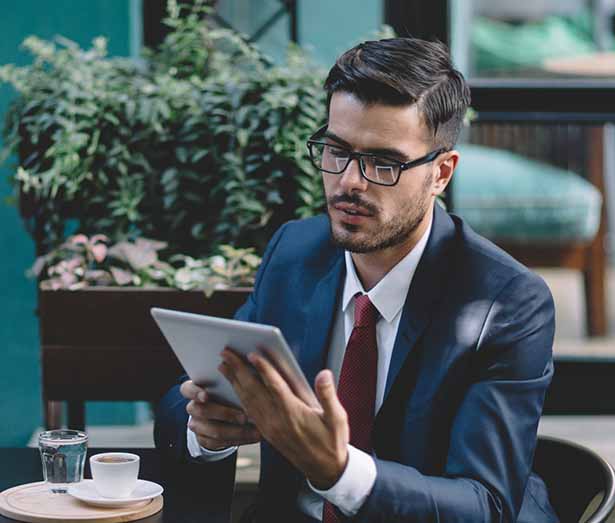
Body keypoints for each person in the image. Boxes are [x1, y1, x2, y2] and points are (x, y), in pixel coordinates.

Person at [155, 37, 558, 523]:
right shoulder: (294, 253)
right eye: (336, 151)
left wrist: (340, 471)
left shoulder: (507, 301)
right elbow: (195, 395)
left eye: (383, 163)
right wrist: (207, 430)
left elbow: (485, 505)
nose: (349, 181)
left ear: (441, 174)